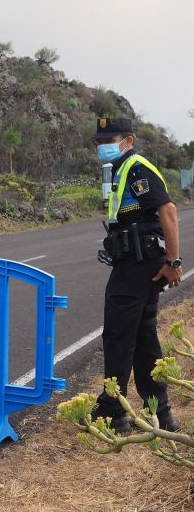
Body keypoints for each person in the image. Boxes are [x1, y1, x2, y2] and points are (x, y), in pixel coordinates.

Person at [92, 117, 182, 434]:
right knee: (143, 340)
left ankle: (112, 410)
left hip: (138, 263)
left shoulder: (137, 167)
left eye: (109, 140)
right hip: (137, 262)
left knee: (118, 336)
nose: (102, 146)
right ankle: (159, 412)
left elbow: (168, 211)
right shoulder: (121, 168)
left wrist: (174, 261)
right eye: (99, 142)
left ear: (128, 140)